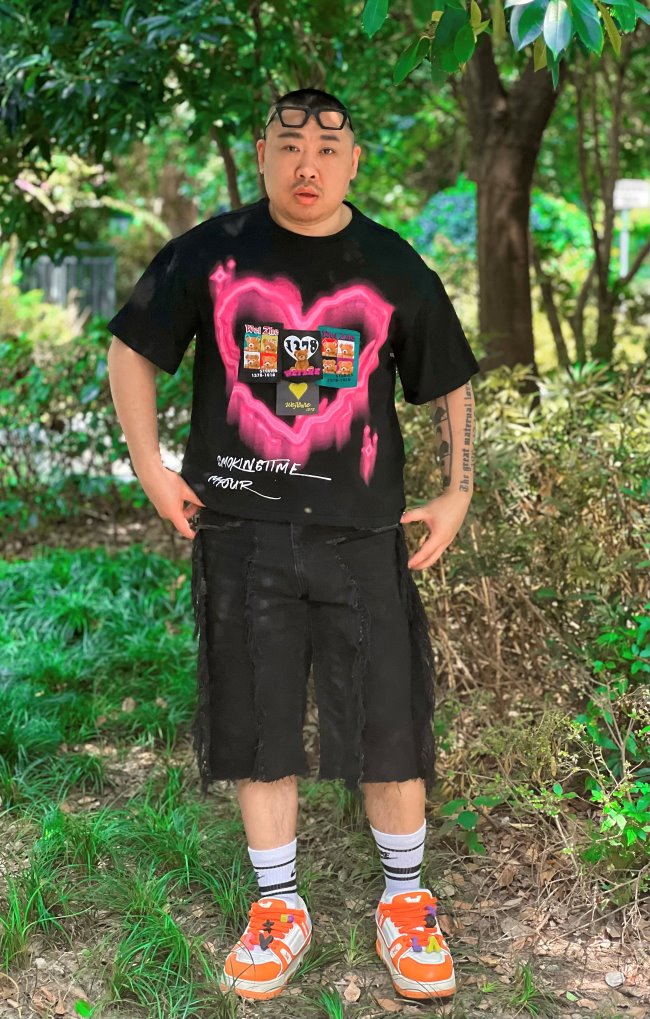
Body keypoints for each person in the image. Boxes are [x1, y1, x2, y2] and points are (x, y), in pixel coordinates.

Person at [107, 87, 479, 1004]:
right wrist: (151, 466)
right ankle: (278, 906)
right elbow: (133, 348)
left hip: (363, 537)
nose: (306, 164)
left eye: (326, 147)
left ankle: (405, 901)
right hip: (240, 533)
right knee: (256, 719)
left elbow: (451, 381)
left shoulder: (390, 264)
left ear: (354, 162)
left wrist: (458, 489)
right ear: (262, 154)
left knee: (389, 722)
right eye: (288, 145)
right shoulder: (211, 252)